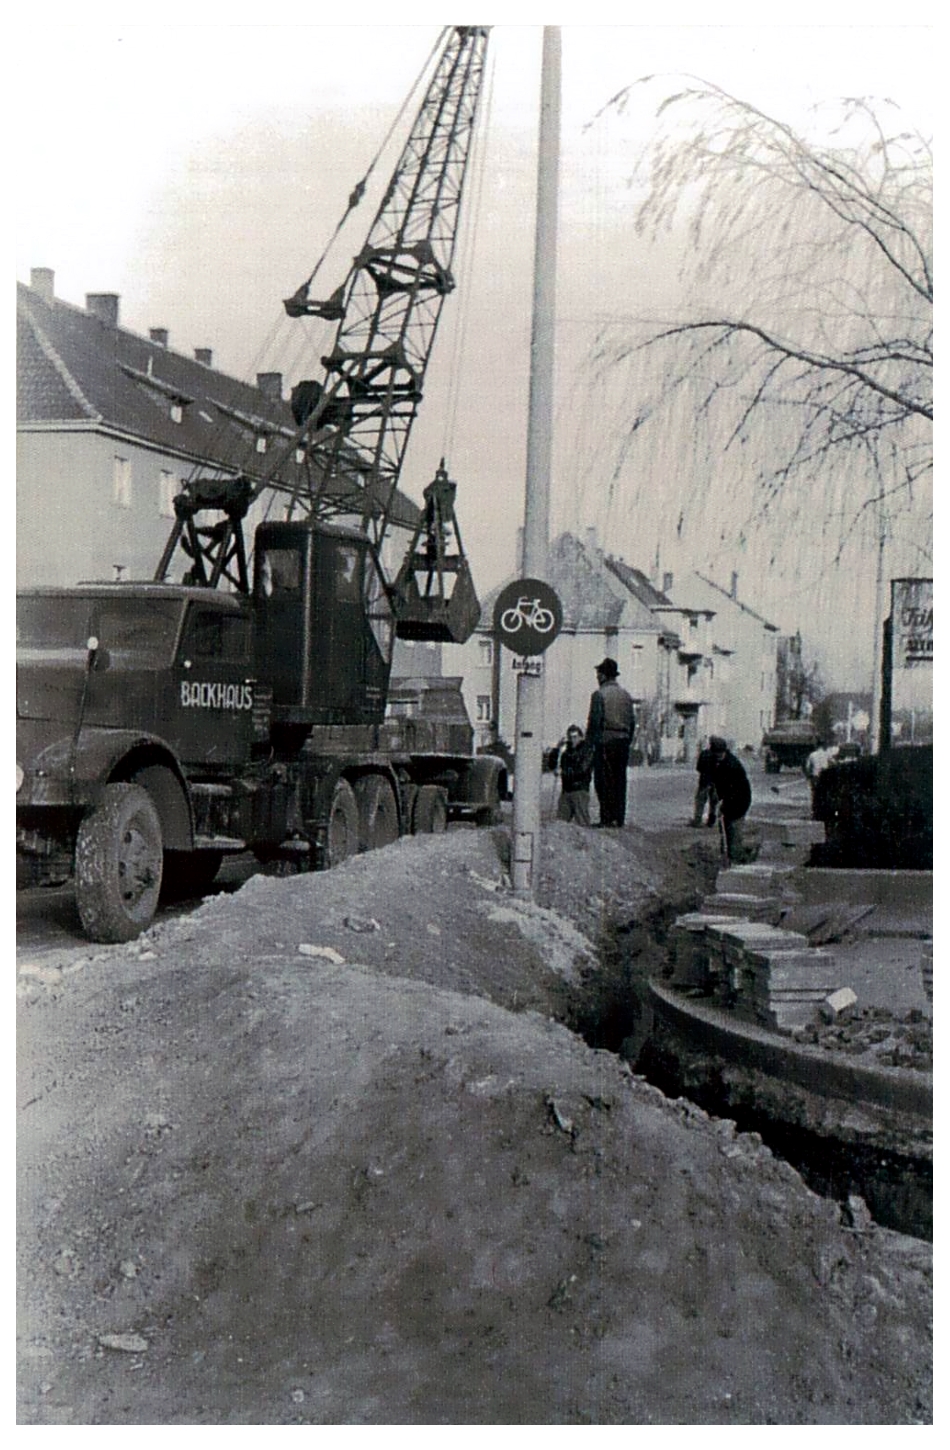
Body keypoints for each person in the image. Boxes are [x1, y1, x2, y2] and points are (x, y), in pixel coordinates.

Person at [587, 658, 635, 827]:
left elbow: (594, 723)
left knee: (603, 780)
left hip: (605, 741)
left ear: (603, 676)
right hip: (623, 742)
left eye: (598, 673)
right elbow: (632, 722)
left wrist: (589, 747)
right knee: (620, 781)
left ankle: (606, 818)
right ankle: (618, 818)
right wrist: (627, 740)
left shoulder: (599, 695)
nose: (597, 676)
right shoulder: (626, 695)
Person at [707, 735, 752, 862]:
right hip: (728, 799)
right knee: (724, 830)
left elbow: (735, 790)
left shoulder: (732, 765)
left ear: (723, 751)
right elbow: (716, 786)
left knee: (734, 830)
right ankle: (727, 857)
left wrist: (724, 806)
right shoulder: (715, 761)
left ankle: (736, 859)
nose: (717, 756)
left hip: (740, 801)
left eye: (719, 754)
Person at [555, 725, 593, 825]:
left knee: (582, 822)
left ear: (581, 737)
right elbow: (552, 764)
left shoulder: (586, 751)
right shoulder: (566, 753)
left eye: (575, 737)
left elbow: (582, 770)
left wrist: (564, 772)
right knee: (560, 823)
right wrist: (556, 749)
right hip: (566, 790)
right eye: (570, 737)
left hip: (579, 789)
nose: (573, 740)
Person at [691, 741, 719, 827]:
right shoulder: (718, 755)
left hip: (704, 781)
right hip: (715, 782)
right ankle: (711, 821)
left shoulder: (704, 753)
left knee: (700, 802)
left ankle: (697, 820)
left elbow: (698, 767)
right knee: (713, 803)